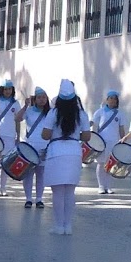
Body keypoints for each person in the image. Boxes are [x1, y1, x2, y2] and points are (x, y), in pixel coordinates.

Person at [41, 79, 90, 235]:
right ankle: (68, 226)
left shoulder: (53, 113)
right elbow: (87, 136)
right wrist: (75, 134)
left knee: (58, 192)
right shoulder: (82, 114)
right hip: (74, 152)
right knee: (70, 192)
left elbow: (45, 135)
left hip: (56, 152)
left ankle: (58, 226)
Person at [17, 87, 52, 208]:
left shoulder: (51, 112)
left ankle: (39, 199)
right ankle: (28, 198)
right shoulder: (30, 111)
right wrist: (25, 106)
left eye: (44, 97)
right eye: (39, 97)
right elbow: (17, 118)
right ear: (35, 99)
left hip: (44, 146)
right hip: (30, 146)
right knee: (28, 173)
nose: (42, 100)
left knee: (41, 173)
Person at [91, 90, 125, 194]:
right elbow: (94, 125)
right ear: (106, 100)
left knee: (111, 164)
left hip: (114, 142)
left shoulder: (120, 114)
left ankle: (109, 186)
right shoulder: (99, 112)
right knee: (101, 164)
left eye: (115, 99)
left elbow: (121, 129)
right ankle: (101, 186)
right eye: (110, 98)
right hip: (101, 142)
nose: (112, 100)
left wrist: (123, 142)